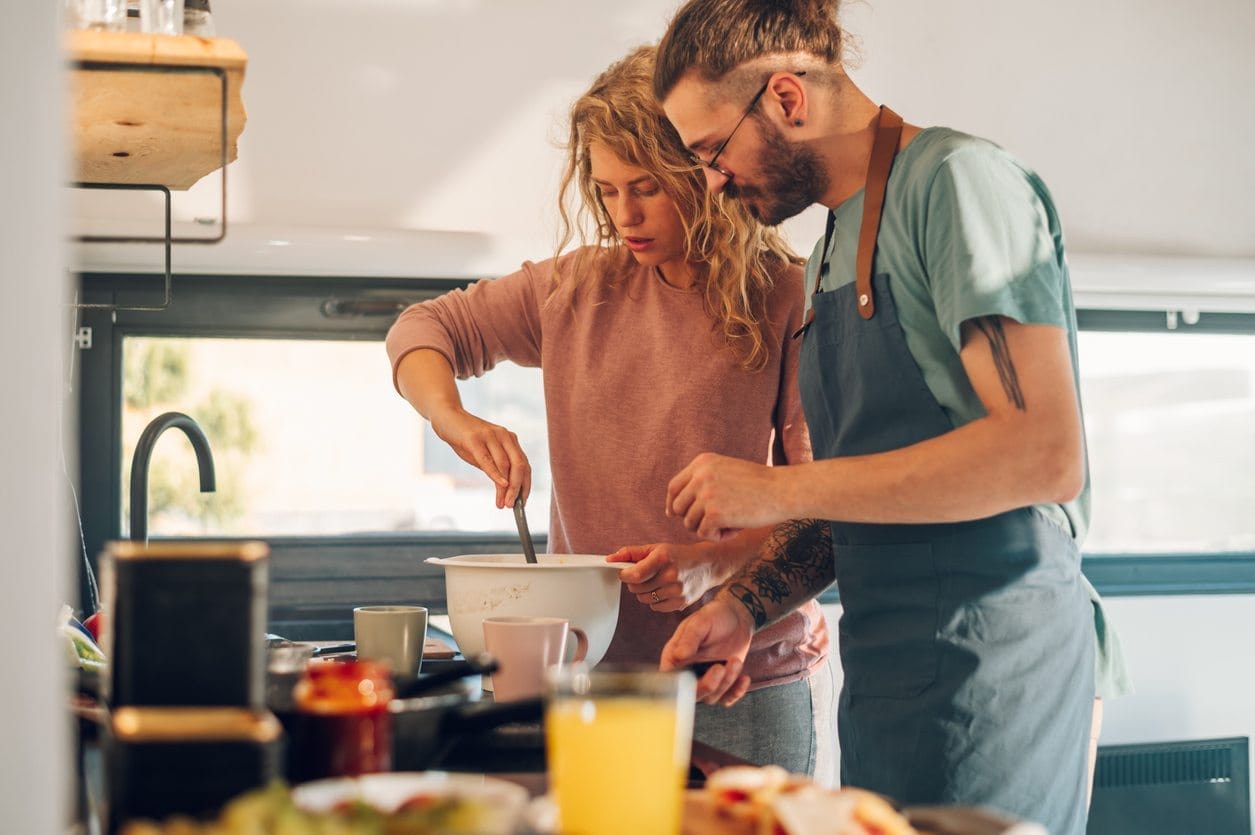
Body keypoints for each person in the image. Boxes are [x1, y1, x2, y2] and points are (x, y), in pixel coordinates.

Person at [650, 2, 1129, 833]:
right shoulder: (832, 240)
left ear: (787, 100)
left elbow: (1041, 453)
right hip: (889, 679)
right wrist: (745, 603)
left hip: (991, 668)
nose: (714, 183)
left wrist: (770, 489)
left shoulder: (955, 183)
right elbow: (872, 485)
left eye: (712, 152)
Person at [384, 45, 834, 779]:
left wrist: (709, 567)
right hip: (589, 677)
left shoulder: (785, 297)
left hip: (743, 677)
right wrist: (454, 419)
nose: (623, 214)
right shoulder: (573, 291)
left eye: (647, 188)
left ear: (700, 167)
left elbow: (824, 506)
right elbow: (422, 329)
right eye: (606, 191)